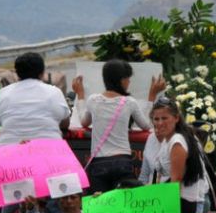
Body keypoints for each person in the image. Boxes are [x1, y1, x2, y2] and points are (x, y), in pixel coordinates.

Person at [0, 52, 71, 213]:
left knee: (12, 206)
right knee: (54, 207)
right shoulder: (53, 92)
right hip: (49, 159)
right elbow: (64, 120)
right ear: (42, 72)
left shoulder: (3, 94)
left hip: (11, 159)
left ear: (16, 73)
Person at [71, 59, 165, 193]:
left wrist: (80, 95)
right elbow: (146, 125)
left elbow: (84, 122)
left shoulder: (93, 100)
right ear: (121, 80)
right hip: (122, 162)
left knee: (100, 207)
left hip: (99, 163)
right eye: (128, 78)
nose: (129, 82)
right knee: (124, 205)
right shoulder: (129, 102)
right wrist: (152, 95)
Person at [149, 97, 208, 213]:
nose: (160, 123)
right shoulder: (175, 138)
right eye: (156, 119)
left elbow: (175, 182)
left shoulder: (177, 141)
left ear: (176, 118)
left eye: (164, 118)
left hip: (184, 205)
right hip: (183, 202)